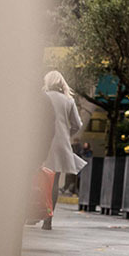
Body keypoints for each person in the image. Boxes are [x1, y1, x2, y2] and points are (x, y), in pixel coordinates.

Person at [41, 70, 87, 230]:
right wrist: (66, 134)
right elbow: (77, 124)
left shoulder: (43, 97)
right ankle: (48, 219)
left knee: (37, 178)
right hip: (60, 144)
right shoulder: (68, 100)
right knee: (54, 182)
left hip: (42, 141)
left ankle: (32, 214)